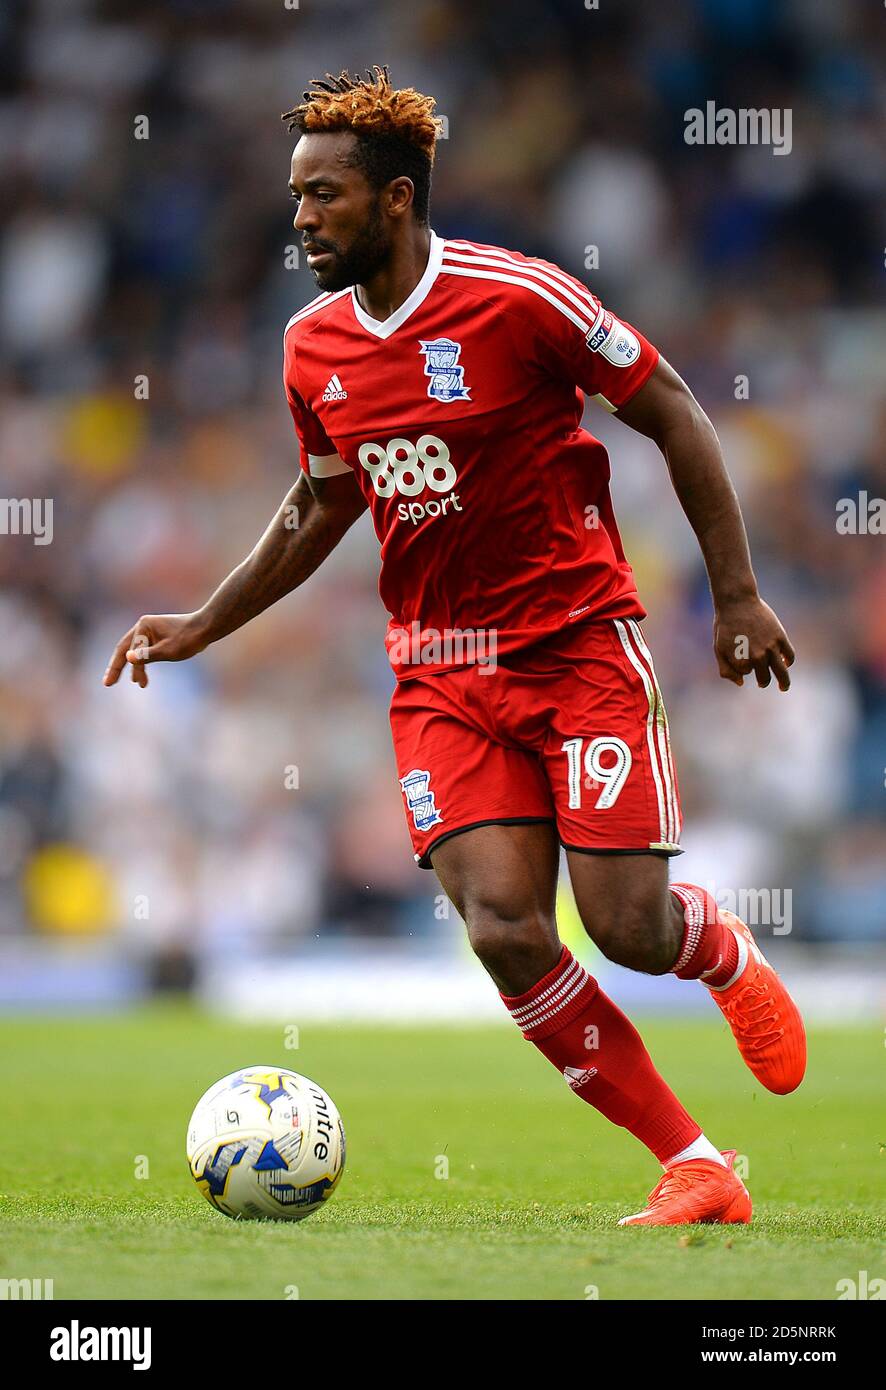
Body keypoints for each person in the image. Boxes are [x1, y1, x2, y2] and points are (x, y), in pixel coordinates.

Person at [105, 66, 805, 1226]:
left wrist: (734, 597)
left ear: (393, 200)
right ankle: (696, 1161)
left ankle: (718, 953)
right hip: (440, 670)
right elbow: (321, 504)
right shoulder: (309, 344)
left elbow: (673, 404)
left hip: (578, 646)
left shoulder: (518, 298)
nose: (300, 218)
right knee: (503, 929)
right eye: (293, 197)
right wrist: (202, 622)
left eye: (323, 194)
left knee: (627, 927)